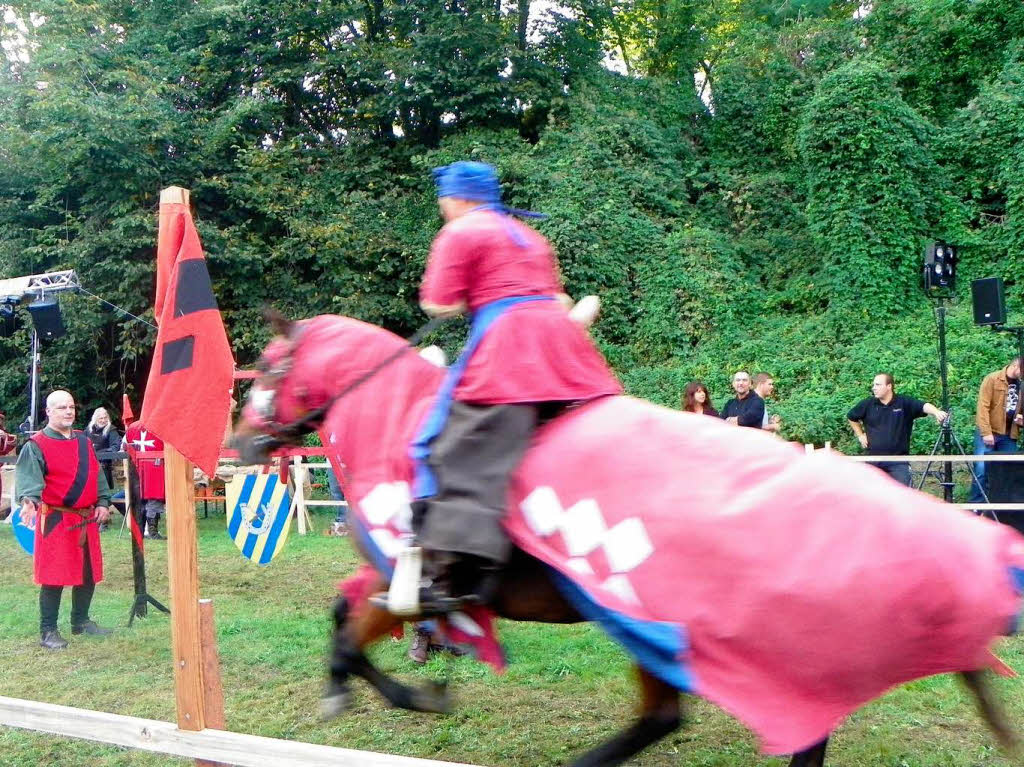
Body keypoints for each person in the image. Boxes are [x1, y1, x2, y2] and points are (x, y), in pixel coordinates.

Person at [394, 160, 622, 615]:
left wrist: (473, 298)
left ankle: (450, 572)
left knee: (443, 443)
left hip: (509, 348)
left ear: (457, 198)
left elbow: (437, 301)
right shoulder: (529, 236)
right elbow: (556, 298)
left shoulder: (461, 232)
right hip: (564, 346)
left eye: (443, 198)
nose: (442, 207)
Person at [16, 390, 113, 649]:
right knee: (54, 576)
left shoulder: (83, 441)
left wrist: (103, 502)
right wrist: (28, 501)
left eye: (71, 406)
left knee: (88, 573)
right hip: (56, 520)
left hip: (85, 518)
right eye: (61, 408)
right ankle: (48, 631)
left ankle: (80, 622)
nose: (68, 411)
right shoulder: (36, 445)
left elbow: (96, 474)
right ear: (49, 412)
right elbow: (29, 481)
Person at [846, 373, 947, 486]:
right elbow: (851, 417)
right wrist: (860, 435)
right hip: (873, 459)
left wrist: (936, 412)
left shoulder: (904, 402)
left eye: (878, 385)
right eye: (874, 384)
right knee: (868, 494)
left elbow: (923, 406)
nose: (874, 387)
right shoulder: (867, 404)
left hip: (898, 461)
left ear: (889, 386)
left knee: (904, 492)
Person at [968, 358, 1022, 505]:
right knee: (981, 469)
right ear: (1015, 366)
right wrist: (986, 432)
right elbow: (982, 407)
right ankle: (975, 507)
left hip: (1009, 435)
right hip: (989, 431)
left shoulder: (1021, 385)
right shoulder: (992, 379)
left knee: (1008, 472)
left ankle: (1003, 509)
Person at [123, 421, 166, 539]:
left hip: (137, 467)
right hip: (155, 467)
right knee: (154, 498)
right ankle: (151, 531)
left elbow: (124, 446)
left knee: (140, 499)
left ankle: (139, 531)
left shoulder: (132, 427)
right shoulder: (160, 425)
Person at [86, 407, 120, 493]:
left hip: (103, 464)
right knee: (89, 491)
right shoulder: (89, 429)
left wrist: (100, 454)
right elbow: (83, 443)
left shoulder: (111, 430)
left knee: (103, 492)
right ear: (96, 419)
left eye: (105, 418)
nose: (103, 420)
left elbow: (115, 447)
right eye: (101, 418)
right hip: (88, 464)